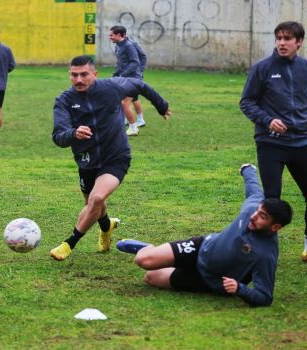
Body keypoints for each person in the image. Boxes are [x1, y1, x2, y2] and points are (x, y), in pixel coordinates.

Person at [117, 164, 292, 307]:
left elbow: (265, 297)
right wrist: (247, 169)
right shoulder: (252, 209)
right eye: (258, 211)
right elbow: (254, 190)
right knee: (144, 260)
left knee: (150, 278)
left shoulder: (265, 254)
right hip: (202, 246)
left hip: (210, 280)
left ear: (275, 227)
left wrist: (239, 288)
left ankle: (173, 266)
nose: (254, 216)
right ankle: (148, 248)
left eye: (262, 217)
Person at [49, 55, 171, 261]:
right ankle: (107, 226)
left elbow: (140, 85)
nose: (78, 79)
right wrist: (73, 133)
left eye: (84, 74)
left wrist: (161, 105)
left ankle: (69, 244)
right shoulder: (64, 101)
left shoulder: (112, 87)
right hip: (86, 160)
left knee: (96, 199)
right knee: (94, 204)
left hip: (116, 156)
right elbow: (58, 137)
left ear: (94, 74)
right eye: (74, 75)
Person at [240, 21, 307, 262]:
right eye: (278, 38)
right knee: (271, 201)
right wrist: (268, 120)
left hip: (302, 143)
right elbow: (246, 101)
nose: (281, 43)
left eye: (287, 38)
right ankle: (263, 250)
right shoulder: (262, 68)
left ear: (299, 42)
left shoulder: (305, 68)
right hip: (271, 143)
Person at [109, 25, 142, 136]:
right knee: (119, 100)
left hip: (133, 79)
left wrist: (123, 74)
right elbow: (120, 64)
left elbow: (135, 62)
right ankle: (126, 122)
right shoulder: (118, 46)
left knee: (125, 102)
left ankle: (133, 128)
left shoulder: (129, 46)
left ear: (119, 35)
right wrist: (115, 75)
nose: (110, 37)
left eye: (111, 35)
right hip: (124, 78)